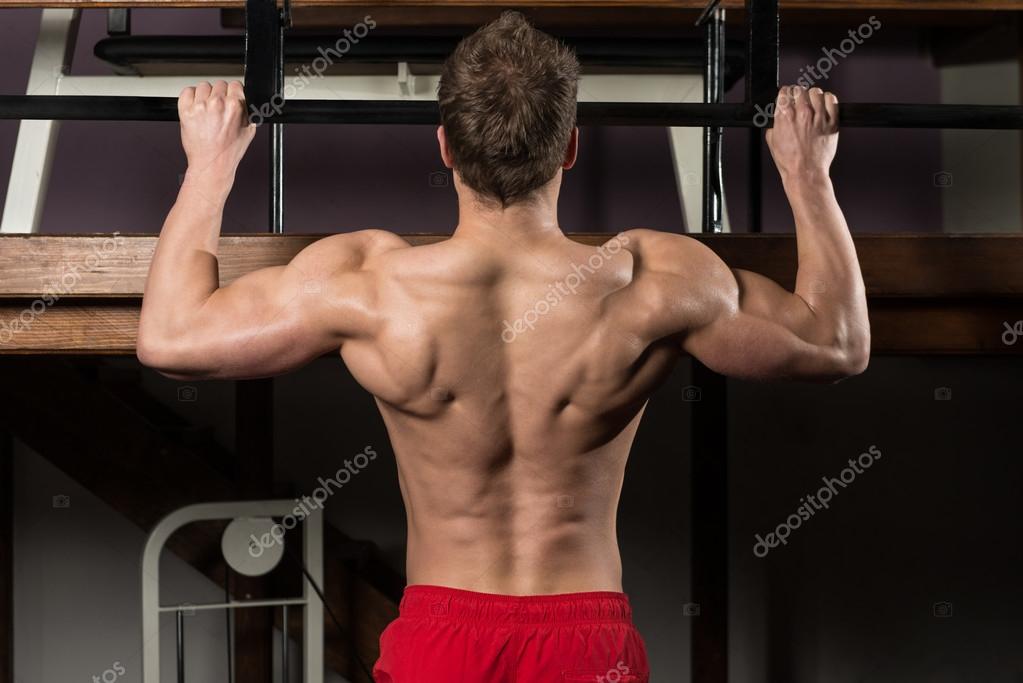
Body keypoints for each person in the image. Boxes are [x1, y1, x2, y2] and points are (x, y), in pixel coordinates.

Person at [138, 11, 869, 682]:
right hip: (585, 643)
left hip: (441, 641)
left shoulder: (371, 285)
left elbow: (171, 336)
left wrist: (210, 165)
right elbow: (836, 344)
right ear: (571, 146)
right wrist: (807, 174)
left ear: (445, 146)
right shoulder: (652, 280)